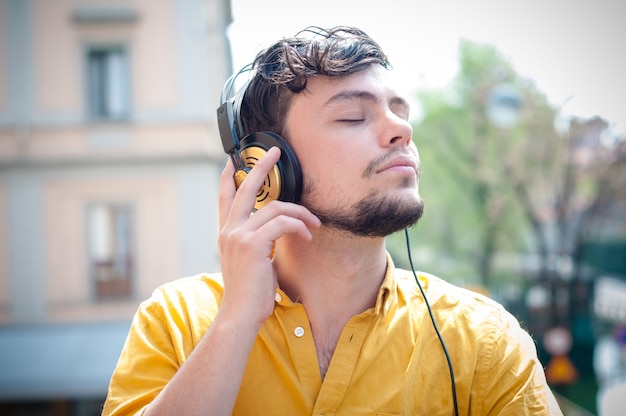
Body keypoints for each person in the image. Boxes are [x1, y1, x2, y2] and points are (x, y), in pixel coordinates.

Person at [102, 26, 562, 415]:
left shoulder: (484, 341)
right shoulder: (176, 321)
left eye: (400, 112)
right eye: (352, 117)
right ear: (267, 167)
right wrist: (236, 321)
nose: (402, 130)